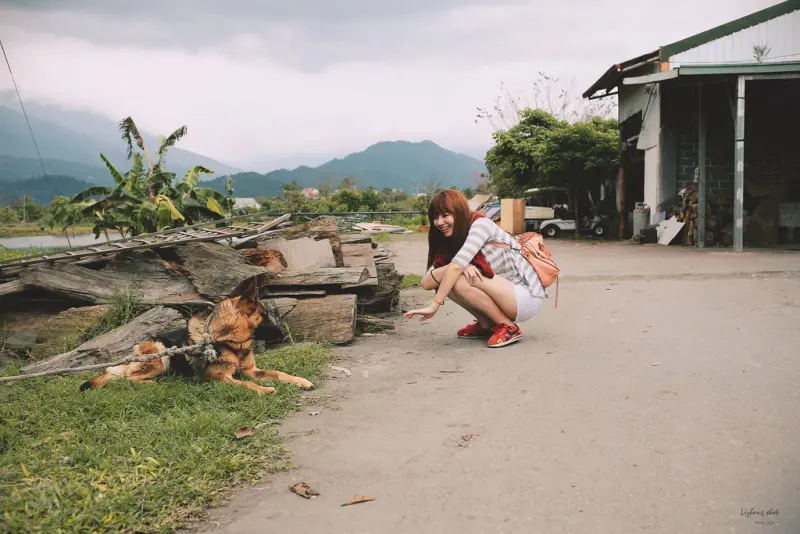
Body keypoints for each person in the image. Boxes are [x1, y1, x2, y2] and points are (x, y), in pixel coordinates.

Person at [403, 189, 545, 348]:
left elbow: (457, 267)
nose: (439, 222)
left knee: (456, 277)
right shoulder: (453, 238)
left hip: (523, 297)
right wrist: (459, 267)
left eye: (445, 215)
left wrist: (435, 305)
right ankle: (486, 325)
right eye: (435, 217)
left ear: (458, 211)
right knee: (450, 277)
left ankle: (508, 327)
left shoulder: (480, 225)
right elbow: (427, 282)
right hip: (503, 293)